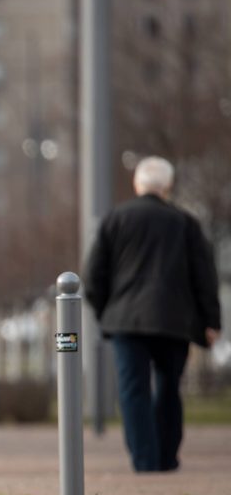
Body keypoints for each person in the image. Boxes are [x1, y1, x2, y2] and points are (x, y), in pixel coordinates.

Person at [83, 156, 221, 473]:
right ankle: (167, 457)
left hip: (125, 321)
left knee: (133, 390)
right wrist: (210, 322)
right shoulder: (186, 223)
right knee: (169, 387)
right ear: (168, 187)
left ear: (137, 184)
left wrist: (107, 311)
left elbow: (92, 275)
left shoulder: (114, 219)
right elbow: (204, 276)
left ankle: (144, 459)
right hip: (174, 320)